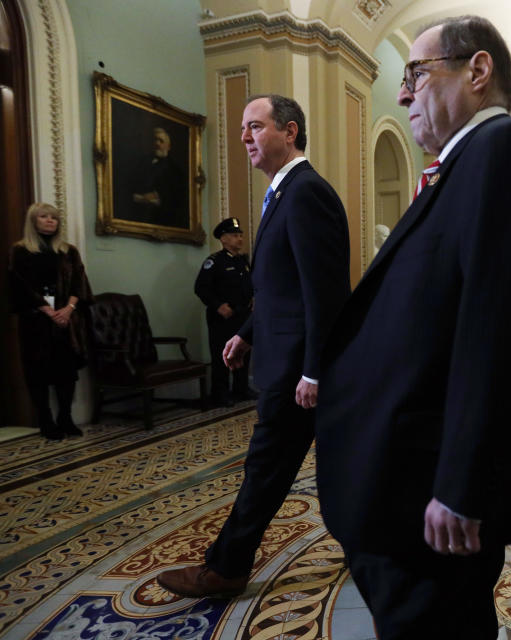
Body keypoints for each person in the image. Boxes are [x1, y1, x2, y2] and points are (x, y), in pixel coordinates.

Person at [313, 16, 511, 639]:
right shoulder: (461, 167)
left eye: (416, 73)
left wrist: (466, 482)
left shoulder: (506, 150)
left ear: (477, 70)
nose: (403, 92)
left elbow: (505, 328)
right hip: (407, 473)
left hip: (431, 484)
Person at [158, 94, 350, 598]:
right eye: (243, 128)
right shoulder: (281, 194)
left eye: (255, 126)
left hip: (295, 373)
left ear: (289, 132)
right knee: (331, 463)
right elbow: (279, 289)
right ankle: (376, 542)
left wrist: (314, 371)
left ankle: (226, 567)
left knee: (266, 470)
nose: (244, 136)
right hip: (281, 360)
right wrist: (246, 333)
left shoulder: (306, 192)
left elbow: (324, 292)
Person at [9, 203, 92, 440]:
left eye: (54, 217)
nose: (49, 221)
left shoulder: (68, 251)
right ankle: (46, 420)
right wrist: (48, 311)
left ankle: (65, 418)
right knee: (38, 371)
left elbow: (79, 282)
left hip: (66, 320)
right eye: (44, 217)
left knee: (66, 371)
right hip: (36, 321)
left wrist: (68, 309)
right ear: (33, 221)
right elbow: (19, 285)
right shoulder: (21, 250)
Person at [194, 217, 255, 407]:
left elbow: (248, 286)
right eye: (235, 236)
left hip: (242, 315)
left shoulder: (242, 262)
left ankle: (241, 389)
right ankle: (220, 393)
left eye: (241, 236)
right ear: (224, 239)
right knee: (222, 354)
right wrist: (218, 305)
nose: (240, 239)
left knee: (242, 352)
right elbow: (201, 288)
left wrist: (253, 299)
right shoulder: (214, 261)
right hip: (222, 317)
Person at [130, 127, 187, 227]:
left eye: (161, 141)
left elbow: (177, 197)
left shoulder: (175, 170)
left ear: (168, 146)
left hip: (162, 218)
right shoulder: (142, 163)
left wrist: (156, 195)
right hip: (138, 215)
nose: (157, 143)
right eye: (155, 140)